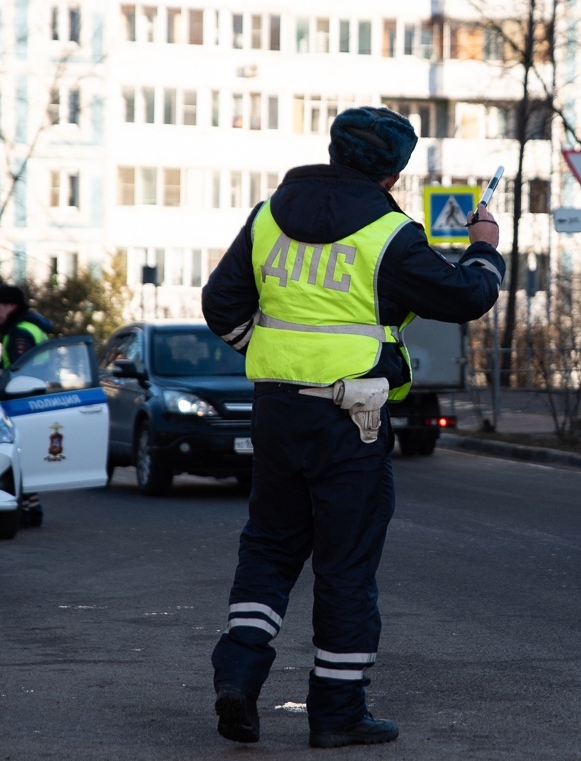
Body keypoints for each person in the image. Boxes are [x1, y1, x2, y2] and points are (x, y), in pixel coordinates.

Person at [201, 106, 505, 749]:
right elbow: (467, 298)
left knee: (270, 547)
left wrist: (269, 357)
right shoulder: (391, 233)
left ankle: (239, 673)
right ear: (393, 173)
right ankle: (336, 713)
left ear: (334, 151)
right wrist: (483, 248)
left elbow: (220, 303)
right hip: (352, 419)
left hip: (278, 410)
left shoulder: (265, 217)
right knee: (345, 565)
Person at [0, 284, 54, 528]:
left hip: (21, 401)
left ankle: (28, 510)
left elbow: (18, 371)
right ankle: (31, 508)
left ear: (11, 307)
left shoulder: (20, 333)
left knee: (17, 458)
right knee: (23, 458)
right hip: (32, 399)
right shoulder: (29, 328)